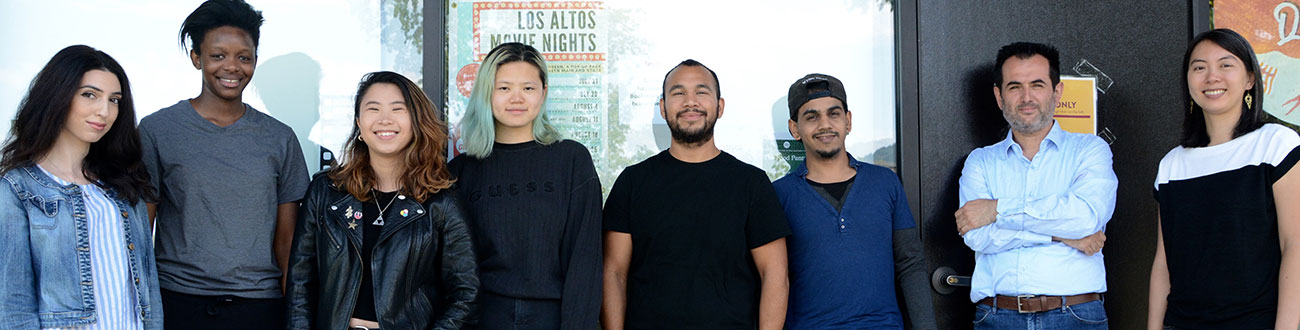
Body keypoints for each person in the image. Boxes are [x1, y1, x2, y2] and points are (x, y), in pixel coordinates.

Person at [137, 1, 309, 328]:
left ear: (255, 60)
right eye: (218, 56)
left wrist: (294, 318)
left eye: (243, 57)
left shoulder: (280, 139)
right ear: (196, 58)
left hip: (259, 308)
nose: (232, 67)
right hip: (177, 303)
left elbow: (288, 246)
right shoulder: (157, 130)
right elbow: (140, 232)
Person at [602, 59, 792, 330]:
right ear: (663, 107)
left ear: (720, 106)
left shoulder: (751, 183)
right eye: (678, 93)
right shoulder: (633, 182)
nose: (690, 102)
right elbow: (613, 274)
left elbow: (774, 274)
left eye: (701, 92)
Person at [285, 71, 478, 330]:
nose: (385, 119)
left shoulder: (441, 201)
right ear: (359, 124)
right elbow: (300, 284)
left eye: (398, 109)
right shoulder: (326, 191)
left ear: (416, 122)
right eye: (373, 109)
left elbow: (465, 294)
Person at [956, 42, 1116, 329]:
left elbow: (1085, 218)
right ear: (999, 96)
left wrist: (998, 210)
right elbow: (977, 237)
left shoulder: (1090, 150)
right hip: (998, 318)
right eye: (1015, 86)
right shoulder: (980, 162)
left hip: (1076, 316)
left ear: (1057, 93)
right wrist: (1060, 237)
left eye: (1037, 85)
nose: (1026, 97)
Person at [0, 45, 163, 329]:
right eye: (90, 95)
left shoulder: (124, 183)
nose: (105, 111)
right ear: (58, 96)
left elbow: (148, 287)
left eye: (114, 100)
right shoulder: (18, 190)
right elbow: (13, 305)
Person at [1148, 28, 1300, 330]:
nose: (1211, 77)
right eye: (1199, 67)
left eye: (1226, 65)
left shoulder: (1275, 144)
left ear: (1250, 79)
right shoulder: (1172, 165)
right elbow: (1164, 263)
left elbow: (1295, 244)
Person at [448, 42, 601, 329]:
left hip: (554, 318)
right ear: (486, 93)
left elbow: (585, 261)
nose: (516, 98)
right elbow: (451, 270)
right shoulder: (461, 172)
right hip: (482, 319)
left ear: (543, 93)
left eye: (528, 88)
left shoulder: (571, 160)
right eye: (504, 88)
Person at [773, 73, 936, 330]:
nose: (825, 124)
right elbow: (771, 278)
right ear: (795, 128)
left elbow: (910, 262)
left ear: (848, 121)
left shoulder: (885, 182)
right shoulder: (779, 195)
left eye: (834, 114)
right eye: (812, 117)